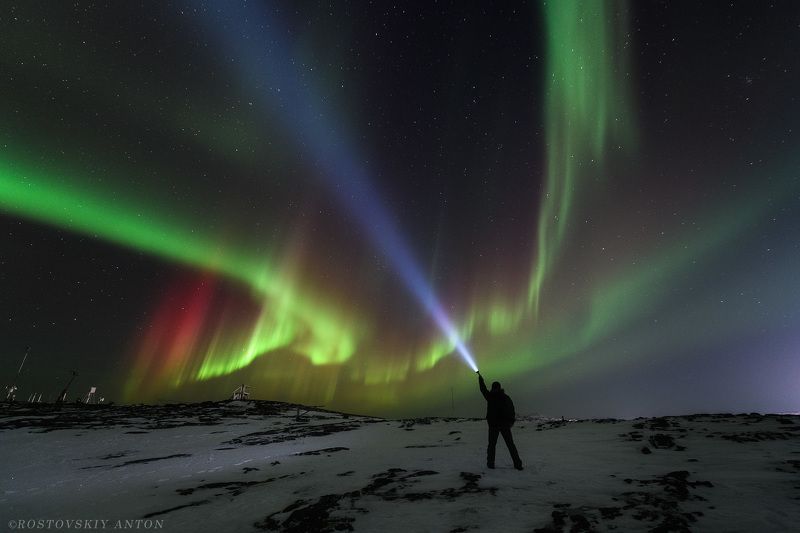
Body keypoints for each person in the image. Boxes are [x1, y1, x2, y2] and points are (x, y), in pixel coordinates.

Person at [478, 371, 523, 470]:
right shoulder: (505, 397)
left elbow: (483, 389)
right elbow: (512, 409)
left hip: (495, 425)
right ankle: (517, 464)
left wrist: (480, 379)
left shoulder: (490, 397)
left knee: (493, 445)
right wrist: (511, 422)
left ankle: (491, 464)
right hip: (503, 425)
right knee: (509, 445)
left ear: (494, 388)